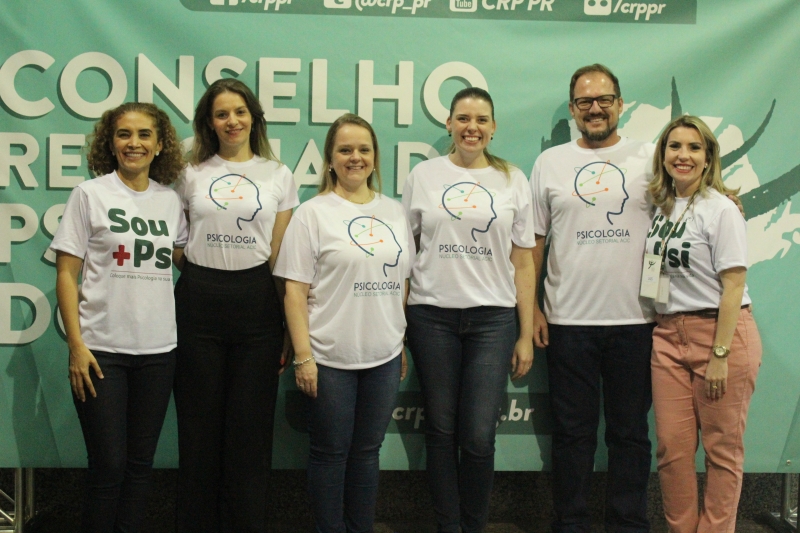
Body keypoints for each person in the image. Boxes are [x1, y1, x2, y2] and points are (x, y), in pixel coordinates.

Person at [402, 87, 536, 533]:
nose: (471, 127)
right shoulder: (423, 176)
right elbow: (405, 254)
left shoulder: (513, 179)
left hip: (493, 321)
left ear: (493, 127)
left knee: (478, 436)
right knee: (441, 431)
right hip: (431, 316)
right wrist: (398, 325)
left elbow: (523, 261)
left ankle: (473, 526)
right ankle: (449, 526)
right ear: (449, 124)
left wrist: (524, 332)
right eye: (462, 118)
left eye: (481, 120)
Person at [530, 64, 656, 533]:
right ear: (573, 109)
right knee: (572, 435)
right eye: (585, 101)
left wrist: (726, 198)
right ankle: (571, 523)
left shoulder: (650, 156)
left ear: (620, 104)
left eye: (604, 99)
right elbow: (534, 242)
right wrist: (532, 308)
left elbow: (690, 198)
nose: (595, 108)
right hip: (568, 322)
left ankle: (628, 523)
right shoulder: (550, 163)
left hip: (637, 321)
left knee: (630, 435)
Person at [274, 113, 414, 533]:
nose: (356, 157)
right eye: (345, 149)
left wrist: (398, 341)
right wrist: (303, 357)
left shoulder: (394, 212)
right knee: (330, 453)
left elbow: (401, 282)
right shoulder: (312, 214)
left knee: (368, 452)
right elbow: (294, 291)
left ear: (375, 157)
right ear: (330, 159)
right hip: (329, 359)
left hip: (383, 358)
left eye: (364, 149)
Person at [51, 102, 187, 533]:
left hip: (158, 353)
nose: (134, 143)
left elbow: (190, 263)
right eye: (124, 134)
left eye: (145, 134)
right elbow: (67, 275)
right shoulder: (90, 195)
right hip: (100, 352)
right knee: (108, 466)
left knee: (140, 466)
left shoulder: (169, 201)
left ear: (160, 145)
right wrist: (76, 346)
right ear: (110, 143)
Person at [172, 78, 299, 533]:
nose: (232, 121)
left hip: (257, 306)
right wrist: (206, 272)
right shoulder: (189, 173)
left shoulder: (278, 175)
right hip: (198, 303)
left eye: (240, 112)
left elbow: (279, 255)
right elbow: (176, 243)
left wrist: (287, 326)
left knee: (250, 432)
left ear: (254, 118)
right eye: (222, 114)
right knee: (198, 430)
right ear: (209, 122)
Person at [645, 115, 761, 533]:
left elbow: (734, 285)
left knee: (721, 451)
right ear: (663, 154)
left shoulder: (721, 209)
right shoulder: (659, 206)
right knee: (672, 451)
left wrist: (720, 354)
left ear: (709, 157)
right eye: (674, 146)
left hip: (719, 334)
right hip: (667, 337)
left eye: (694, 147)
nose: (683, 155)